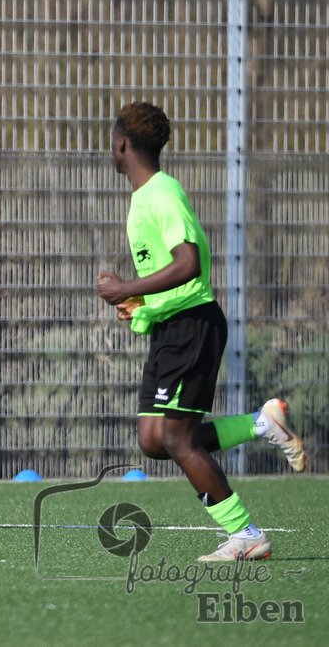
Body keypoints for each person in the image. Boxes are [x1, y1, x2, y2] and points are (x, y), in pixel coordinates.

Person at [97, 102, 305, 562]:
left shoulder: (161, 193)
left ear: (122, 143)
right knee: (154, 440)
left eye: (111, 140)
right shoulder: (143, 197)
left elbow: (188, 263)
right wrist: (142, 307)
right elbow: (172, 275)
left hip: (191, 328)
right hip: (172, 328)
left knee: (178, 440)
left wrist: (128, 288)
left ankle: (246, 534)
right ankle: (260, 423)